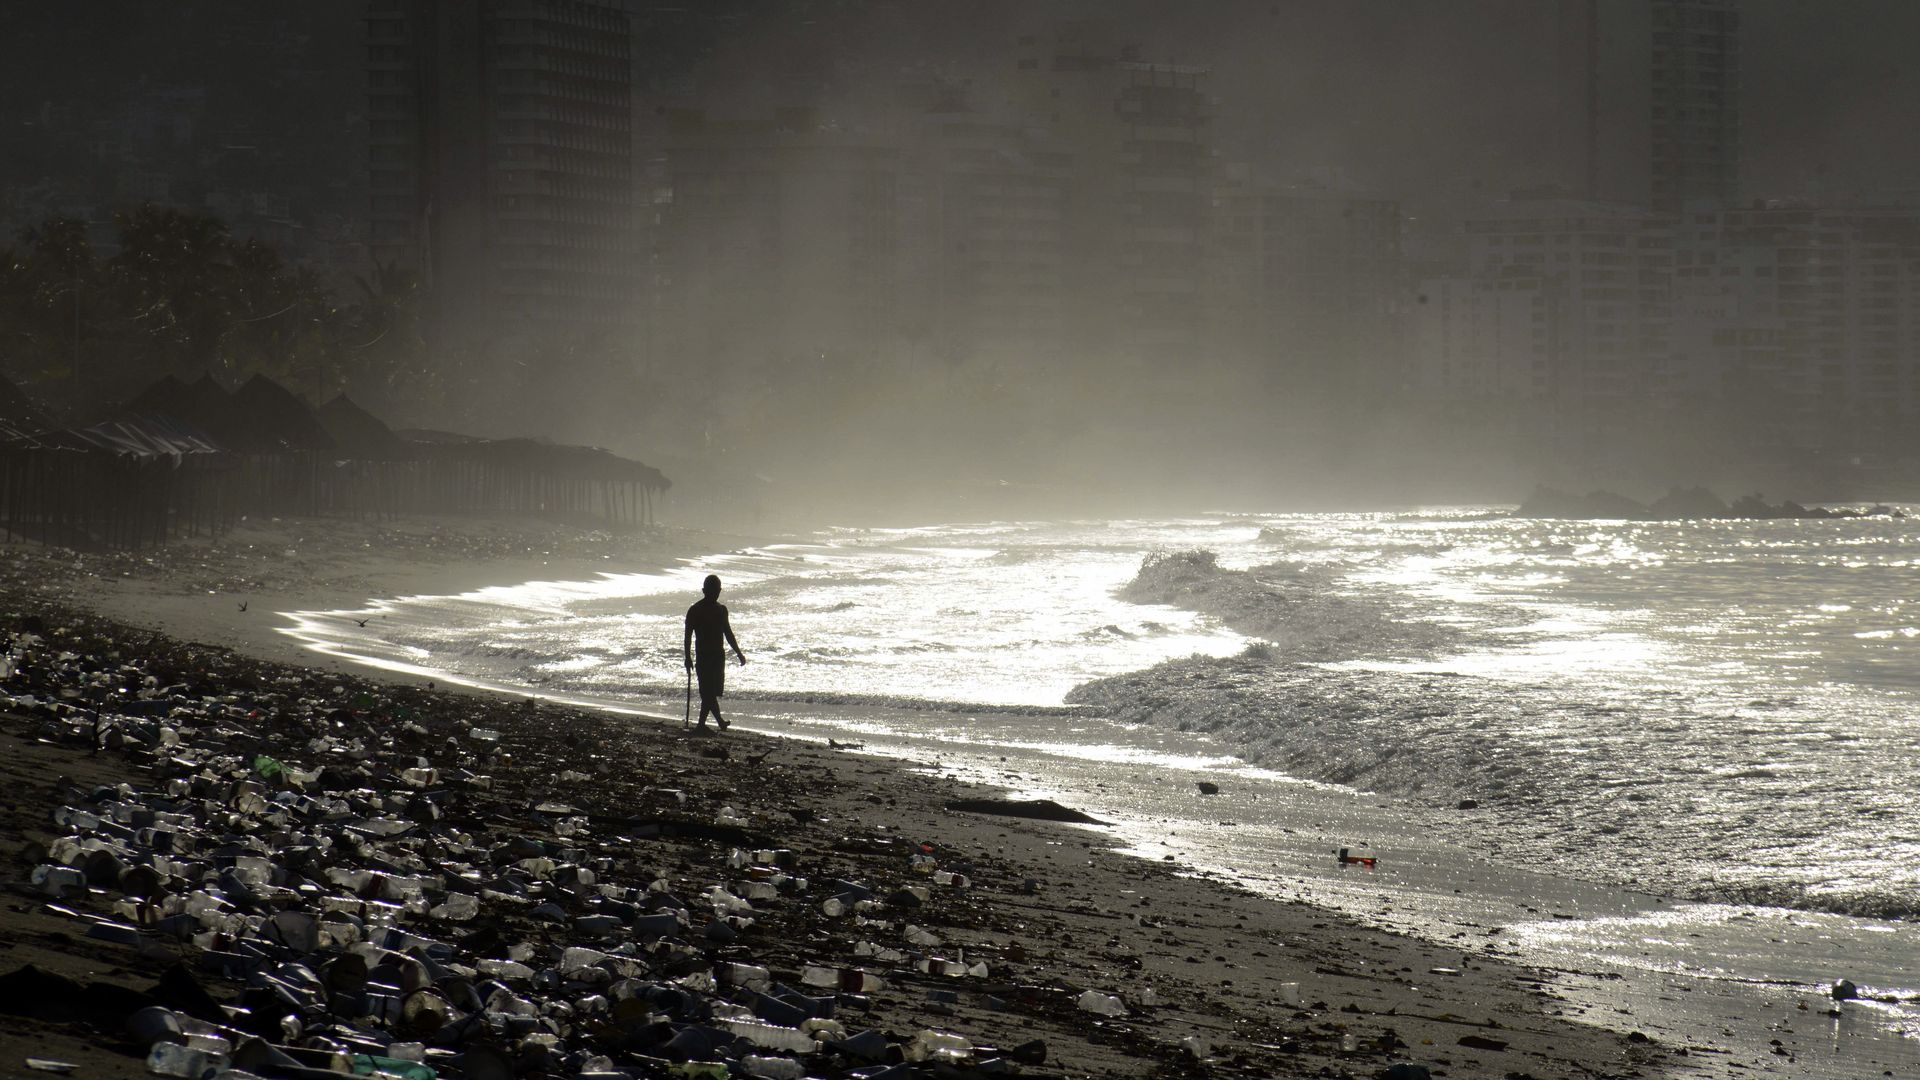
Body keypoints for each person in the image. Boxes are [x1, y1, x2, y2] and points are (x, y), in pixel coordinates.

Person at [683, 574, 745, 731]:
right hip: (703, 657)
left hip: (718, 657)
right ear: (704, 590)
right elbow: (688, 635)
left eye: (717, 590)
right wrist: (687, 657)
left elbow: (728, 634)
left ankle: (716, 722)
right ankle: (704, 724)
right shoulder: (695, 610)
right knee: (707, 692)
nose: (715, 593)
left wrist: (738, 652)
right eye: (712, 590)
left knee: (711, 693)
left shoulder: (721, 610)